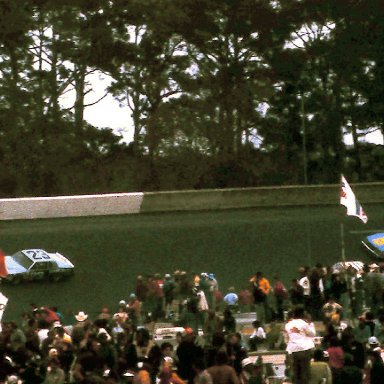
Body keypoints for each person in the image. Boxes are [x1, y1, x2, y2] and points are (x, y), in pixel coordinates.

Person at [285, 306, 316, 384]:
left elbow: (288, 337)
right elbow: (312, 334)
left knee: (296, 373)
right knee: (305, 373)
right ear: (302, 313)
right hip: (304, 349)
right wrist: (310, 324)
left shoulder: (288, 325)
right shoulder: (303, 323)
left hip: (293, 351)